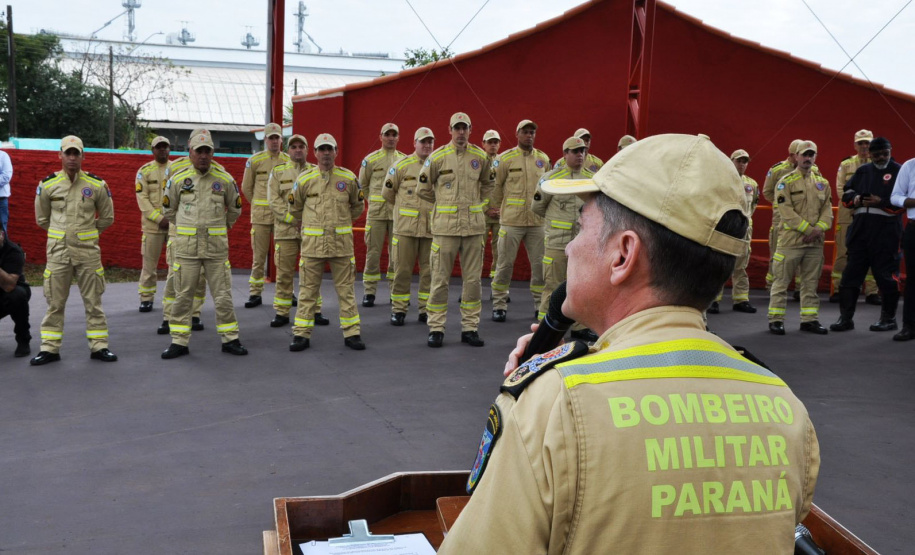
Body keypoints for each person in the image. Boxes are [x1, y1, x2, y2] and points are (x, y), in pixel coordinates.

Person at [438, 133, 820, 554]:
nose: (570, 246)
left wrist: (521, 406)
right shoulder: (785, 406)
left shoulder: (555, 404)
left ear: (622, 255)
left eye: (582, 227)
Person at [160, 130, 247, 358]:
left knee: (223, 295)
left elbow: (236, 208)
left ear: (212, 152)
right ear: (190, 152)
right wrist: (186, 228)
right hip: (187, 249)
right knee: (183, 295)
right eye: (199, 151)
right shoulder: (178, 180)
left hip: (216, 249)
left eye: (207, 150)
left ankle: (230, 339)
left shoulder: (225, 179)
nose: (203, 155)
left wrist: (221, 228)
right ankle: (179, 341)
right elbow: (168, 210)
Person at [31, 135, 117, 365]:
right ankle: (50, 348)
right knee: (55, 303)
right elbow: (42, 219)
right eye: (67, 153)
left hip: (88, 252)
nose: (71, 157)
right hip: (59, 253)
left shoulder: (97, 185)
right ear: (59, 155)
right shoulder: (47, 185)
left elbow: (107, 218)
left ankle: (99, 346)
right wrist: (63, 234)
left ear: (82, 156)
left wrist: (87, 233)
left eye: (75, 153)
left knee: (93, 302)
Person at [419, 112, 494, 348]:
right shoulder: (437, 157)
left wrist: (474, 205)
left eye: (465, 128)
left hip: (473, 229)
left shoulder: (480, 157)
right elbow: (423, 188)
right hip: (445, 230)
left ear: (471, 129)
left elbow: (488, 184)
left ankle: (470, 328)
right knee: (440, 280)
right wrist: (443, 203)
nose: (461, 132)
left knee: (472, 281)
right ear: (450, 130)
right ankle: (436, 328)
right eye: (457, 128)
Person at [285, 133, 366, 351]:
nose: (326, 153)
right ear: (315, 153)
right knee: (307, 292)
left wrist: (341, 223)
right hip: (312, 246)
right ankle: (301, 334)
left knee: (346, 291)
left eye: (330, 149)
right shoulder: (304, 180)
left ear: (336, 151)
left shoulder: (348, 178)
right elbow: (294, 208)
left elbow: (358, 207)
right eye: (322, 149)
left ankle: (352, 333)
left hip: (341, 245)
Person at [830, 137, 902, 334]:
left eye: (885, 154)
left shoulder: (899, 171)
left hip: (886, 232)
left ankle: (889, 319)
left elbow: (905, 202)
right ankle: (845, 319)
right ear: (869, 154)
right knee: (850, 276)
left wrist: (881, 201)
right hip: (860, 230)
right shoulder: (863, 171)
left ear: (890, 151)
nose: (881, 158)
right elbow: (845, 195)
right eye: (876, 154)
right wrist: (857, 199)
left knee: (886, 277)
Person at [531, 136, 596, 341]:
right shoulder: (551, 178)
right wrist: (555, 224)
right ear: (565, 154)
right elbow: (538, 207)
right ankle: (544, 328)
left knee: (581, 285)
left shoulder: (592, 179)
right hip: (557, 243)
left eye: (583, 151)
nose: (580, 155)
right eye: (575, 151)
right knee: (552, 287)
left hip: (581, 242)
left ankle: (579, 326)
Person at [767, 141, 832, 336]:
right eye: (804, 155)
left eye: (811, 155)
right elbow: (785, 211)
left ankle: (809, 319)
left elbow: (827, 210)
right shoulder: (785, 182)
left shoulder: (823, 183)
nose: (808, 158)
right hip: (790, 242)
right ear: (796, 156)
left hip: (814, 243)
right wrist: (808, 230)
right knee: (781, 282)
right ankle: (776, 319)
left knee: (810, 283)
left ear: (815, 157)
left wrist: (818, 229)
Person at [156, 130, 217, 335]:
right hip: (179, 232)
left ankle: (195, 314)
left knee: (199, 277)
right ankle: (168, 316)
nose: (202, 153)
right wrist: (179, 224)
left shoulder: (217, 169)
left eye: (206, 148)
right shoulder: (175, 167)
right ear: (190, 147)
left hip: (204, 234)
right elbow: (167, 200)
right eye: (197, 147)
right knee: (175, 275)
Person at [266, 133, 329, 329]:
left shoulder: (315, 171)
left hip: (311, 232)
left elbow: (324, 200)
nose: (297, 150)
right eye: (293, 147)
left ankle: (315, 311)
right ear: (288, 150)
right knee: (284, 273)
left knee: (311, 273)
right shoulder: (278, 173)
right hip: (285, 231)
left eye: (301, 146)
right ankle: (282, 312)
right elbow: (274, 200)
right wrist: (292, 219)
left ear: (308, 150)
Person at [491, 120, 550, 322]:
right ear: (517, 134)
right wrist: (496, 208)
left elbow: (547, 189)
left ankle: (539, 304)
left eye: (532, 132)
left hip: (536, 222)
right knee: (504, 264)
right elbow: (495, 187)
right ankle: (499, 303)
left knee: (540, 266)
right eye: (525, 132)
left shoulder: (543, 159)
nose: (529, 135)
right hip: (511, 221)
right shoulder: (504, 159)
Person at [382, 127, 436, 325]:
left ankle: (425, 309)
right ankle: (399, 310)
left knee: (429, 272)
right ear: (415, 143)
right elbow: (387, 194)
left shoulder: (438, 165)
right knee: (402, 271)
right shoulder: (401, 166)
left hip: (431, 229)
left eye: (430, 141)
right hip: (405, 229)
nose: (427, 145)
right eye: (423, 141)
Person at [242, 122, 290, 309]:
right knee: (259, 256)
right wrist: (258, 205)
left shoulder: (288, 161)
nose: (275, 141)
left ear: (281, 139)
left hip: (282, 217)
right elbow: (247, 188)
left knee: (283, 256)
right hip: (261, 217)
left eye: (277, 137)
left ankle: (286, 292)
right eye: (271, 138)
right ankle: (255, 293)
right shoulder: (254, 161)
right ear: (265, 140)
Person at [359, 123, 405, 307]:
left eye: (394, 134)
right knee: (373, 253)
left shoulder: (403, 160)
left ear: (398, 137)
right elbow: (362, 185)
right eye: (388, 134)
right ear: (381, 137)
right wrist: (374, 201)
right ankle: (369, 291)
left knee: (397, 255)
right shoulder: (370, 160)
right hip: (376, 215)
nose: (391, 138)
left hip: (396, 215)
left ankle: (395, 291)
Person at [832, 129, 879, 304]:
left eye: (867, 142)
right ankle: (838, 289)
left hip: (871, 212)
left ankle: (872, 291)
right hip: (848, 212)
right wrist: (857, 201)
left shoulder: (880, 164)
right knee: (843, 251)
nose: (864, 146)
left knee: (872, 251)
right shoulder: (846, 164)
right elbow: (840, 189)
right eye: (861, 143)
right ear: (855, 145)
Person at [710, 149, 759, 314]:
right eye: (739, 161)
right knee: (721, 265)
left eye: (745, 161)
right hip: (726, 229)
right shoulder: (721, 182)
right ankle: (713, 300)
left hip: (744, 231)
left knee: (741, 267)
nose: (742, 164)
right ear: (731, 161)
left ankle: (741, 299)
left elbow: (753, 206)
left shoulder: (751, 184)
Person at [134, 136, 172, 313]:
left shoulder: (177, 169)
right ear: (153, 150)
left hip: (174, 224)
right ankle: (146, 298)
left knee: (176, 264)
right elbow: (143, 200)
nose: (162, 150)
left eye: (165, 147)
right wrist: (159, 219)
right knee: (149, 265)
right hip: (152, 226)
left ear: (169, 149)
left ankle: (174, 298)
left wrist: (171, 219)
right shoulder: (144, 171)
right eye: (159, 147)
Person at [890, 157, 915, 341]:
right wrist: (909, 202)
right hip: (914, 227)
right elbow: (895, 196)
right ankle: (909, 326)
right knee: (913, 279)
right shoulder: (910, 165)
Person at [0, 227, 30, 357]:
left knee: (17, 295)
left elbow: (9, 286)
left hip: (7, 293)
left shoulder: (13, 251)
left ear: (1, 234)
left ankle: (23, 339)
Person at [481, 129, 502, 279]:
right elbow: (474, 187)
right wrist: (485, 209)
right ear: (483, 144)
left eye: (495, 142)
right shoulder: (478, 160)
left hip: (500, 212)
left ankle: (497, 284)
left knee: (500, 250)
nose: (493, 145)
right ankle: (472, 287)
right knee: (476, 249)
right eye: (490, 142)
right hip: (482, 214)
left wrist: (503, 209)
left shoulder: (504, 161)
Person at [0, 147, 12, 235]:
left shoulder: (3, 156)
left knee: (2, 230)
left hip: (0, 199)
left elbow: (6, 176)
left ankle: (3, 248)